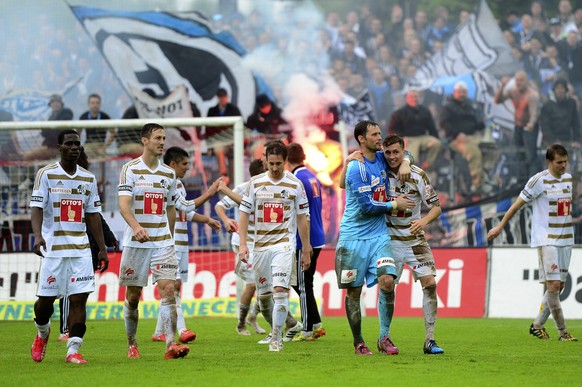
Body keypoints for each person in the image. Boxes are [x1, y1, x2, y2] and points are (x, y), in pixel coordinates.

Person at [118, 123, 198, 359]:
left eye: (164, 138)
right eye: (157, 138)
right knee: (133, 298)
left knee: (169, 290)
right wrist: (136, 227)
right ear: (144, 140)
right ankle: (132, 342)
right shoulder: (130, 169)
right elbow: (123, 206)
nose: (162, 142)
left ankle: (171, 344)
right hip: (136, 243)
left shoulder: (169, 174)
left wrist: (170, 238)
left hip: (163, 242)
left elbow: (172, 208)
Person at [30, 129, 109, 364]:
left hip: (81, 249)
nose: (75, 147)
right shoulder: (46, 174)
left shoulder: (88, 178)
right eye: (70, 144)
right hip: (53, 249)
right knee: (45, 303)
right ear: (60, 147)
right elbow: (36, 207)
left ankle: (73, 350)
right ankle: (42, 333)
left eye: (78, 144)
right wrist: (37, 236)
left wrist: (102, 248)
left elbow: (93, 215)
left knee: (79, 300)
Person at [336, 120, 414, 355]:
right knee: (354, 292)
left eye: (380, 133)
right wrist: (395, 204)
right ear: (361, 139)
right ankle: (359, 341)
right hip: (352, 238)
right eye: (374, 134)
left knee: (388, 281)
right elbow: (367, 206)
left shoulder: (381, 158)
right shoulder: (355, 167)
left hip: (379, 235)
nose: (379, 138)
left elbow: (401, 152)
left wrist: (406, 161)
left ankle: (384, 337)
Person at [487, 144, 577, 342]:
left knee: (558, 287)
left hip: (566, 240)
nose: (563, 166)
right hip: (547, 240)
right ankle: (563, 333)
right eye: (559, 162)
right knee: (553, 285)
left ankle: (537, 326)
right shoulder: (538, 180)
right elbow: (517, 205)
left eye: (565, 162)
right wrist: (500, 226)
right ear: (549, 162)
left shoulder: (569, 179)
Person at [237, 141, 312, 352]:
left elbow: (302, 218)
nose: (275, 168)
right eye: (271, 163)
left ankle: (276, 339)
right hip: (260, 247)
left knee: (280, 290)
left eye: (279, 163)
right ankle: (275, 329)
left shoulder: (295, 184)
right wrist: (243, 244)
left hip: (284, 245)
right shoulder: (255, 183)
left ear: (286, 161)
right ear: (265, 161)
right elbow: (244, 214)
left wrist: (305, 248)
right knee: (264, 298)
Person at [151, 146, 222, 344]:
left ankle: (159, 331)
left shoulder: (179, 185)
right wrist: (209, 193)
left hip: (182, 242)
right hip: (168, 242)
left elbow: (186, 213)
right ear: (172, 164)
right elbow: (185, 207)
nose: (188, 168)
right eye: (184, 164)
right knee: (171, 288)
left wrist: (207, 220)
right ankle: (180, 329)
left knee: (176, 287)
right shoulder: (161, 183)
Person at [381, 135, 444, 354]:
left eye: (396, 152)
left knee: (430, 283)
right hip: (388, 241)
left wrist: (424, 221)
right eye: (387, 152)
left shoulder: (417, 175)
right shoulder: (378, 172)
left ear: (403, 151)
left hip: (415, 240)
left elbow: (436, 206)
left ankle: (430, 340)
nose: (391, 157)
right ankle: (384, 337)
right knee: (387, 285)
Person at [57, 147, 119, 343]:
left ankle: (70, 330)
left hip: (87, 245)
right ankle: (65, 329)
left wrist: (107, 240)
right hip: (67, 244)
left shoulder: (86, 182)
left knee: (77, 292)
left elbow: (95, 215)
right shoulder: (63, 184)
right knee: (69, 290)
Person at [214, 159, 267, 336]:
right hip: (243, 241)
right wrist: (226, 219)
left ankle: (253, 316)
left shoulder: (269, 188)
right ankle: (241, 323)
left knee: (267, 286)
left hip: (263, 241)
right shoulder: (243, 188)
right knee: (252, 284)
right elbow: (220, 205)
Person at [286, 143, 327, 342]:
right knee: (304, 283)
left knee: (301, 285)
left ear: (287, 160)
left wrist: (305, 245)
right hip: (317, 236)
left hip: (306, 240)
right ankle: (317, 323)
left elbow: (304, 213)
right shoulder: (312, 176)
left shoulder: (296, 180)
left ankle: (307, 330)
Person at [494, 70, 541, 184]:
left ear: (526, 81)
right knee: (519, 153)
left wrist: (531, 123)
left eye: (521, 80)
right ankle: (521, 180)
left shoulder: (532, 94)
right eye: (517, 80)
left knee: (530, 154)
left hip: (529, 127)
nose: (519, 83)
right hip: (518, 126)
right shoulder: (513, 91)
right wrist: (502, 87)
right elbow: (497, 100)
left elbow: (534, 112)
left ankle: (533, 180)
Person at [439, 81, 486, 192]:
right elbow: (443, 123)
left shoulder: (470, 106)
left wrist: (483, 124)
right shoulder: (448, 107)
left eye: (464, 92)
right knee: (474, 152)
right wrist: (456, 134)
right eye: (459, 92)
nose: (461, 94)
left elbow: (475, 123)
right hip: (455, 139)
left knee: (491, 148)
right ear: (454, 92)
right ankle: (478, 184)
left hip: (472, 136)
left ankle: (485, 176)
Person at [388, 90, 442, 172]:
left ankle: (427, 166)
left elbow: (432, 127)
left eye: (416, 97)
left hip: (423, 137)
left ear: (419, 98)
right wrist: (401, 139)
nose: (414, 99)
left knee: (437, 144)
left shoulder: (425, 111)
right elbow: (391, 128)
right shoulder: (400, 113)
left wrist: (436, 138)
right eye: (412, 97)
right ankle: (412, 176)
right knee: (413, 159)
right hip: (409, 139)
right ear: (407, 99)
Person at [206, 88, 243, 178]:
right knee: (218, 148)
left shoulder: (234, 110)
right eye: (220, 97)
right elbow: (208, 130)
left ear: (227, 97)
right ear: (218, 98)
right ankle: (223, 176)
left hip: (233, 143)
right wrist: (209, 147)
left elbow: (242, 127)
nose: (223, 99)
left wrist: (237, 143)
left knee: (234, 164)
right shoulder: (212, 111)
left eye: (224, 96)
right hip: (219, 142)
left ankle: (233, 182)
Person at [24, 94, 74, 160]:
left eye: (57, 102)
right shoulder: (51, 116)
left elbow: (57, 133)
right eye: (53, 102)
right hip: (50, 146)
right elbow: (45, 132)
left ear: (61, 104)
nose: (55, 104)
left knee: (27, 156)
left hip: (58, 148)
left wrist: (47, 131)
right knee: (26, 154)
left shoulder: (65, 112)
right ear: (50, 104)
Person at [540, 79, 581, 150]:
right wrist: (553, 141)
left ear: (566, 90)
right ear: (554, 90)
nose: (560, 90)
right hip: (550, 140)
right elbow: (545, 126)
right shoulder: (547, 106)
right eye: (557, 88)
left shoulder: (572, 103)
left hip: (567, 140)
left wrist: (577, 140)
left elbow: (576, 124)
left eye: (562, 88)